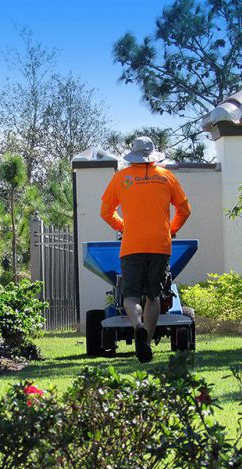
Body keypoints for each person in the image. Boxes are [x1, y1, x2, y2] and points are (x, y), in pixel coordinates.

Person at [100, 136, 191, 363]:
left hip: (132, 245)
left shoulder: (121, 178)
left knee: (130, 296)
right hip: (160, 245)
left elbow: (106, 212)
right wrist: (171, 230)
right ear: (153, 155)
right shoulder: (166, 176)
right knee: (153, 296)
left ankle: (138, 326)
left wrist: (124, 227)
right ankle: (146, 344)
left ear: (133, 154)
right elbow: (185, 210)